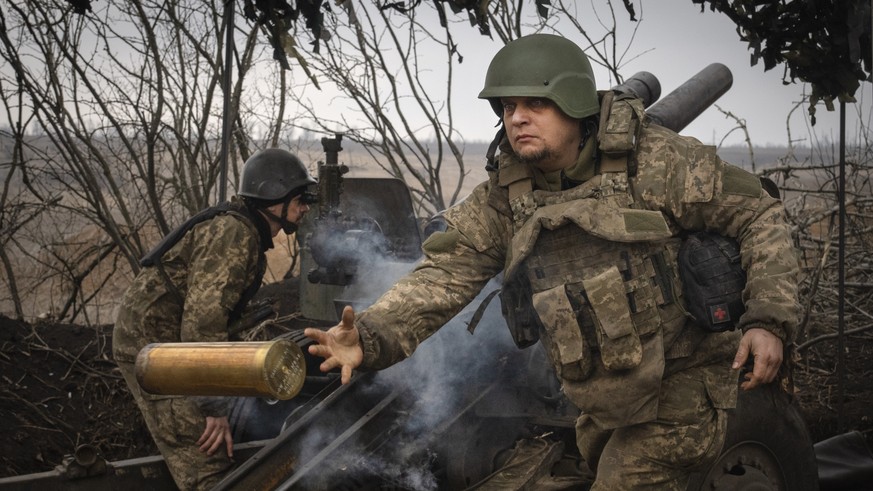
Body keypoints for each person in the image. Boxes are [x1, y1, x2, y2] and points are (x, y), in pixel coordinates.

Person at [304, 33, 799, 489]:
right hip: (605, 398)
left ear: (575, 105)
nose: (517, 117)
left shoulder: (655, 162)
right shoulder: (505, 195)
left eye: (536, 104)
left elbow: (759, 215)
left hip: (686, 380)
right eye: (509, 106)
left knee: (626, 478)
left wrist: (769, 321)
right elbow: (443, 276)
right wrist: (369, 335)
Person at [113, 148, 316, 491]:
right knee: (207, 466)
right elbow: (201, 326)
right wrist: (213, 407)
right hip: (157, 355)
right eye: (299, 199)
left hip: (170, 345)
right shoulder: (234, 234)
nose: (305, 208)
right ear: (273, 198)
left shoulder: (242, 229)